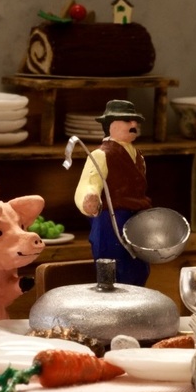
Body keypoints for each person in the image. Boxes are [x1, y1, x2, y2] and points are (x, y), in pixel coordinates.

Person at [74, 100, 152, 286]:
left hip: (137, 218)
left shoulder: (139, 156)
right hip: (112, 219)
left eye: (135, 121)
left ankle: (137, 298)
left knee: (138, 266)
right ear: (110, 125)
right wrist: (90, 197)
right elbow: (88, 182)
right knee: (112, 265)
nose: (133, 125)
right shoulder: (101, 155)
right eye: (127, 120)